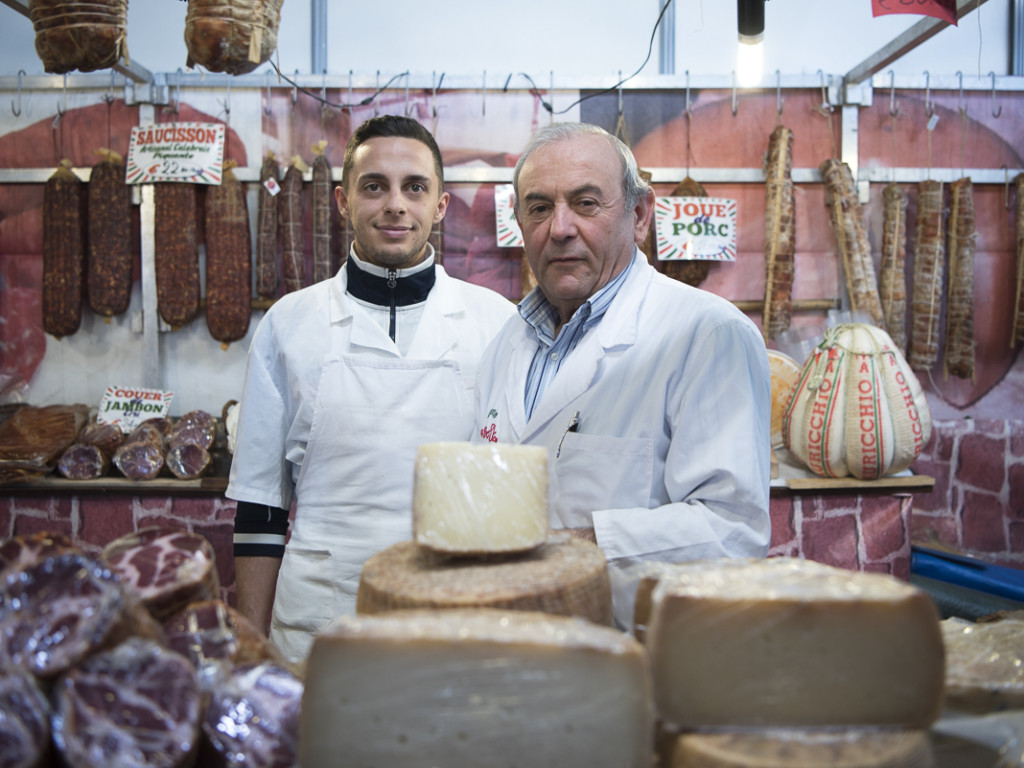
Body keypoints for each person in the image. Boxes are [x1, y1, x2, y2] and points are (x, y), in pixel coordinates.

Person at [227, 115, 516, 662]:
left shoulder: (497, 323)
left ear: (441, 205)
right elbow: (260, 510)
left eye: (415, 187)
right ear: (343, 201)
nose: (395, 205)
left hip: (456, 616)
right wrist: (250, 651)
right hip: (317, 621)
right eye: (374, 186)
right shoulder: (289, 324)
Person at [472, 122, 771, 628]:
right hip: (511, 648)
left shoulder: (708, 333)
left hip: (634, 664)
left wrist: (573, 555)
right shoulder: (505, 343)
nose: (560, 228)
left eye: (586, 203)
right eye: (539, 207)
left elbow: (732, 533)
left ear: (638, 215)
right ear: (520, 221)